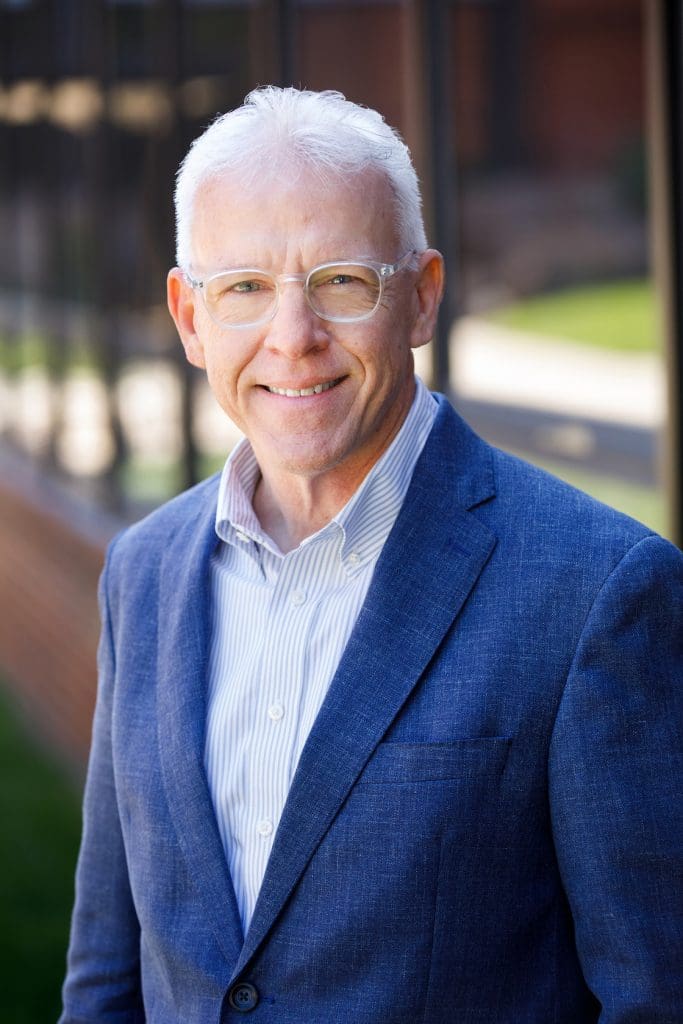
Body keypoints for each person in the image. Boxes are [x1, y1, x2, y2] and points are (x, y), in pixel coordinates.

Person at [60, 86, 682, 1024]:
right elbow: (106, 978)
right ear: (190, 317)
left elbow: (654, 996)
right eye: (244, 289)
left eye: (342, 281)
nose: (292, 339)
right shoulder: (141, 573)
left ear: (423, 297)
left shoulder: (596, 590)